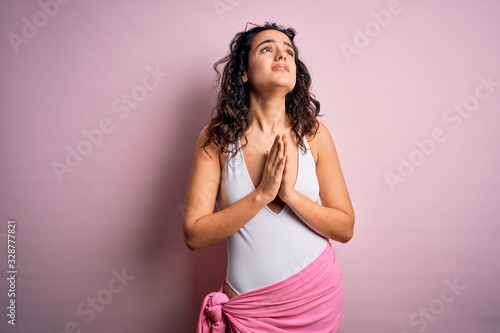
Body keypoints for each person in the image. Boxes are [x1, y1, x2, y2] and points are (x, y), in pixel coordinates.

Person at [183, 22, 355, 332]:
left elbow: (345, 227)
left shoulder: (314, 136)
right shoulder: (216, 138)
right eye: (267, 49)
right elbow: (194, 234)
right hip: (248, 310)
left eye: (289, 52)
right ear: (244, 72)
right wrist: (261, 194)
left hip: (316, 301)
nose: (282, 56)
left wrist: (290, 195)